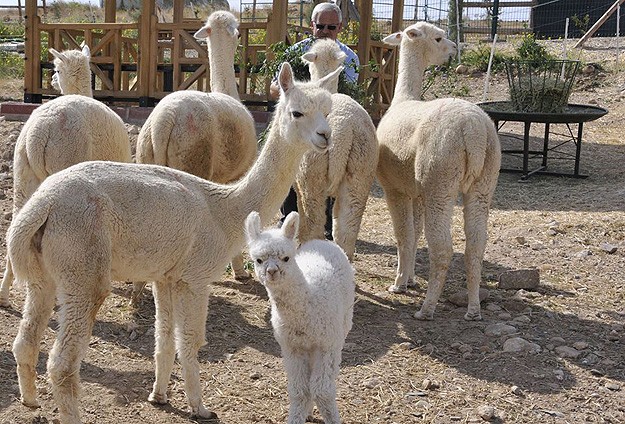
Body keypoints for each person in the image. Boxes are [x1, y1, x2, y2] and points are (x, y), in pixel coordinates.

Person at [272, 2, 360, 240]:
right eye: (320, 26)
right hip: (299, 123)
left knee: (331, 167)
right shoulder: (296, 52)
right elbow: (275, 87)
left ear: (340, 27)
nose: (325, 31)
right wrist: (293, 93)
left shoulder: (348, 57)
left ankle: (328, 227)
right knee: (290, 165)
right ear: (312, 25)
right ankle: (288, 218)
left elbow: (348, 90)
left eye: (331, 26)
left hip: (330, 119)